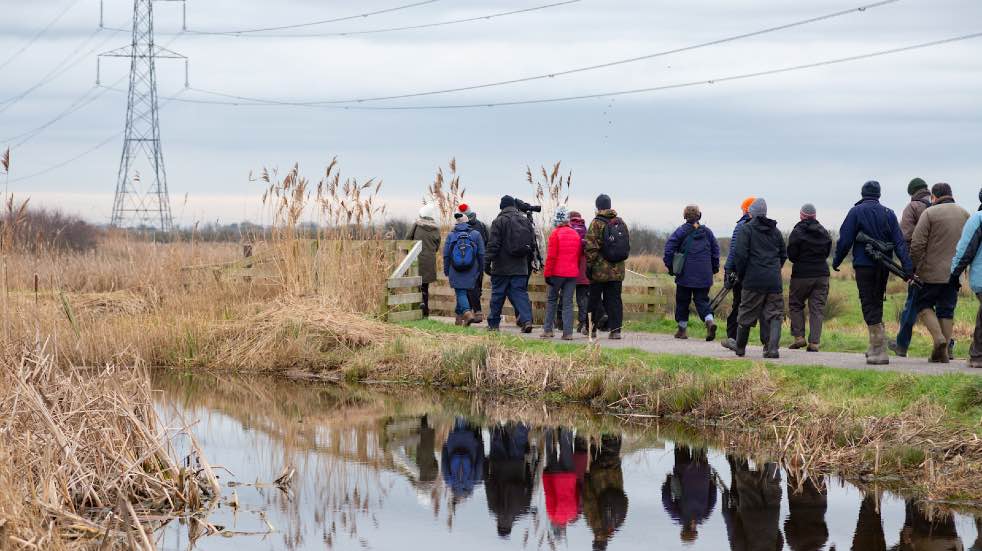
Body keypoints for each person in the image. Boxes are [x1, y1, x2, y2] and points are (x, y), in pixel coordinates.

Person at [833, 181, 912, 365]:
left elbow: (845, 240)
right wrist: (907, 268)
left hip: (864, 265)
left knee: (868, 303)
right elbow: (899, 243)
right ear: (879, 194)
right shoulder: (889, 213)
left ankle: (879, 350)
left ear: (862, 194)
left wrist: (837, 260)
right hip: (884, 266)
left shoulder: (855, 212)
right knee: (876, 301)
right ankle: (874, 346)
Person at [910, 183, 969, 363]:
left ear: (934, 197)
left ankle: (939, 339)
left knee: (922, 304)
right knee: (947, 310)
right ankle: (943, 354)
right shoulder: (965, 213)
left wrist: (915, 268)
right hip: (955, 273)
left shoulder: (930, 213)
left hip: (931, 272)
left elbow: (917, 244)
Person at [730, 198, 787, 358]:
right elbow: (783, 255)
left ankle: (740, 347)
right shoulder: (775, 231)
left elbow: (740, 256)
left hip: (753, 280)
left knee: (746, 312)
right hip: (773, 280)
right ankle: (772, 349)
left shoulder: (746, 229)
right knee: (775, 314)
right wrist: (774, 270)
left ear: (752, 212)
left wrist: (742, 274)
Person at [663, 205, 721, 341]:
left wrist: (671, 267)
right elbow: (715, 251)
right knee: (702, 300)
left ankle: (682, 331)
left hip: (685, 274)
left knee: (683, 301)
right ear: (699, 216)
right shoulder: (707, 232)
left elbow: (669, 249)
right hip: (704, 274)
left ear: (685, 216)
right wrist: (714, 267)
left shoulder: (680, 231)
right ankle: (709, 321)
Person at [890, 178, 932, 357]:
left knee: (911, 306)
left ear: (912, 192)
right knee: (934, 305)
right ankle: (947, 343)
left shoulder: (912, 207)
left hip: (920, 265)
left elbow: (906, 237)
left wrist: (909, 265)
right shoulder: (937, 205)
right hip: (940, 266)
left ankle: (901, 345)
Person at [486, 195, 535, 333]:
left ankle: (493, 324)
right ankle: (526, 320)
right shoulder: (525, 221)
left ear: (502, 207)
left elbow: (493, 245)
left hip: (501, 267)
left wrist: (487, 262)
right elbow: (531, 243)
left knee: (498, 295)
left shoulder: (499, 221)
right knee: (520, 294)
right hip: (520, 266)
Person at [787, 203, 832, 352]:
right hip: (821, 274)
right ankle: (814, 343)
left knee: (795, 304)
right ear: (815, 216)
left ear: (801, 215)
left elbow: (791, 255)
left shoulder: (797, 232)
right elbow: (826, 252)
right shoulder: (824, 232)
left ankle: (799, 338)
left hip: (801, 274)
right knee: (817, 309)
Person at [585, 194, 630, 340]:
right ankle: (616, 331)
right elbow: (626, 247)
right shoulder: (620, 223)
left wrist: (589, 266)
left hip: (600, 271)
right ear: (610, 205)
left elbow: (591, 247)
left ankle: (591, 329)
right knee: (615, 300)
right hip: (617, 270)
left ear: (597, 206)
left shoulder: (596, 223)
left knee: (594, 298)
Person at [722, 197, 763, 351]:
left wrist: (728, 269)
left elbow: (734, 250)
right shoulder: (762, 226)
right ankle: (738, 338)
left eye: (743, 209)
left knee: (738, 303)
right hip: (754, 272)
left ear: (747, 209)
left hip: (740, 271)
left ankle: (733, 337)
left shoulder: (741, 226)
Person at [722, 456, 784, 551]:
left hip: (771, 515)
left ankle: (771, 452)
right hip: (750, 514)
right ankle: (740, 449)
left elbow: (780, 540)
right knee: (745, 481)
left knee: (772, 482)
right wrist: (738, 516)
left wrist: (771, 528)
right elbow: (738, 537)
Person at [951, 188, 982, 369]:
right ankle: (977, 355)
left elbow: (966, 249)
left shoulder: (978, 219)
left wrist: (955, 274)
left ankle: (978, 355)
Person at [485, 422, 534, 538]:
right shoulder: (494, 509)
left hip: (516, 466)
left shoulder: (522, 510)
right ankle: (495, 414)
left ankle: (525, 416)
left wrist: (527, 468)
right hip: (498, 465)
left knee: (519, 439)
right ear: (498, 525)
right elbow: (489, 485)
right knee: (497, 434)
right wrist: (485, 464)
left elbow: (529, 486)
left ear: (511, 527)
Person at [661, 446, 716, 544]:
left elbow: (713, 498)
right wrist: (668, 482)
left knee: (700, 446)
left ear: (693, 530)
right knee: (681, 444)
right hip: (682, 470)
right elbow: (666, 499)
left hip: (702, 471)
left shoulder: (704, 516)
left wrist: (711, 481)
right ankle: (682, 432)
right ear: (683, 530)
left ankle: (701, 433)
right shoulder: (678, 515)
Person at [542, 207, 583, 340]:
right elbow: (578, 256)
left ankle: (548, 330)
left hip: (557, 273)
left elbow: (551, 257)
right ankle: (568, 333)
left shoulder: (555, 234)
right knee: (568, 303)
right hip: (571, 274)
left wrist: (547, 274)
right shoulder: (575, 234)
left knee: (552, 299)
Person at [582, 434, 628, 551]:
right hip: (599, 474)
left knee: (613, 444)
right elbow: (589, 500)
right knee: (599, 441)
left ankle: (613, 423)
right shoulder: (595, 524)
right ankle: (600, 422)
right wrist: (586, 478)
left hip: (615, 472)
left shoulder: (616, 525)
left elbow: (624, 499)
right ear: (595, 541)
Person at [443, 211, 486, 326]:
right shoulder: (476, 234)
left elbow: (446, 255)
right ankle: (459, 318)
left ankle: (466, 312)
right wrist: (481, 269)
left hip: (455, 269)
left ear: (456, 224)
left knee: (460, 292)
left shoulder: (451, 235)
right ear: (468, 222)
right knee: (464, 291)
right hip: (472, 269)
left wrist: (446, 270)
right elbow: (481, 254)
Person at [405, 204, 441, 317]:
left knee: (416, 286)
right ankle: (425, 312)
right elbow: (437, 246)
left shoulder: (416, 225)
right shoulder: (436, 229)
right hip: (429, 261)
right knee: (425, 287)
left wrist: (408, 255)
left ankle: (416, 311)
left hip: (416, 259)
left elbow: (407, 240)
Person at [542, 428, 579, 529]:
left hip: (569, 477)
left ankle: (567, 425)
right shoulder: (552, 516)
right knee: (550, 451)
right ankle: (548, 428)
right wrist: (545, 475)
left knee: (567, 447)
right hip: (555, 476)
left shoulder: (573, 514)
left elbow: (577, 493)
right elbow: (549, 494)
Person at [441, 418, 485, 502]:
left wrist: (480, 443)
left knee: (470, 419)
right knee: (460, 421)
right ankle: (462, 410)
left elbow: (480, 462)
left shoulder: (474, 481)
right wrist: (445, 446)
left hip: (471, 443)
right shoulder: (449, 481)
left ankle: (467, 409)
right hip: (453, 442)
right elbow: (444, 461)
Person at [461, 204, 490, 324]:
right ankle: (476, 312)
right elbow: (487, 243)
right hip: (479, 261)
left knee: (467, 287)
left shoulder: (459, 226)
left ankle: (472, 312)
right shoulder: (481, 225)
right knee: (477, 286)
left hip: (464, 261)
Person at [784, 474, 828, 551]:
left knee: (817, 472)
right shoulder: (794, 544)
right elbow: (787, 525)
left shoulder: (821, 542)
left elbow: (825, 530)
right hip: (798, 501)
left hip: (819, 502)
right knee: (795, 470)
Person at [570, 211, 593, 335]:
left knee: (566, 298)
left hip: (571, 269)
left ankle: (562, 323)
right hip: (584, 270)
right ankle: (583, 323)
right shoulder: (586, 229)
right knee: (583, 299)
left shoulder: (569, 228)